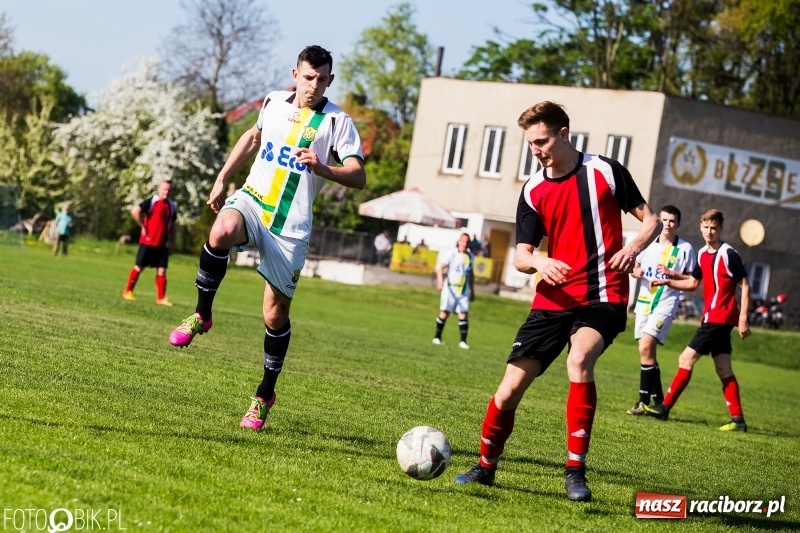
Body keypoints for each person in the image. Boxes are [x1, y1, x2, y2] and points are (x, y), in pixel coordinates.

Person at [453, 101, 661, 502]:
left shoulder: (605, 171)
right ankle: (485, 467)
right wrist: (539, 260)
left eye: (542, 141)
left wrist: (633, 247)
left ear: (564, 134)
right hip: (552, 301)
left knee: (579, 359)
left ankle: (575, 472)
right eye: (530, 143)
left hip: (603, 295)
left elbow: (649, 220)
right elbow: (521, 256)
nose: (536, 150)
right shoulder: (533, 190)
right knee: (510, 388)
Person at [168, 46, 366, 431]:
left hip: (290, 226)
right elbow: (253, 137)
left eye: (322, 79)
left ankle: (263, 395)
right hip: (254, 201)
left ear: (330, 80)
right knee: (221, 230)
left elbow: (358, 176)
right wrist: (224, 176)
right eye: (309, 77)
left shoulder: (337, 122)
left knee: (274, 316)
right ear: (295, 74)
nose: (314, 85)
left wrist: (324, 168)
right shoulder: (274, 102)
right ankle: (201, 314)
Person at [643, 209, 751, 431]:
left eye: (714, 228)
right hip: (712, 319)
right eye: (706, 227)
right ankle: (738, 420)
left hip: (719, 318)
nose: (709, 232)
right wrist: (667, 282)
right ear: (701, 227)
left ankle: (665, 407)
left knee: (685, 359)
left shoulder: (729, 254)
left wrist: (743, 319)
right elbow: (693, 283)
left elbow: (746, 285)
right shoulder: (702, 253)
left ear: (720, 229)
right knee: (724, 369)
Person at [626, 205, 696, 415]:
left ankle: (642, 401)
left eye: (672, 221)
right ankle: (660, 404)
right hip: (644, 302)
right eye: (664, 220)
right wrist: (635, 270)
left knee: (646, 347)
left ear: (678, 224)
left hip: (665, 304)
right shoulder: (648, 244)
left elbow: (693, 278)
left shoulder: (685, 249)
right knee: (647, 352)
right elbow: (634, 265)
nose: (667, 224)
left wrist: (673, 274)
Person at [122, 180, 178, 306]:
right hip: (148, 242)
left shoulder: (172, 206)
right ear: (159, 189)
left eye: (169, 190)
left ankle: (161, 298)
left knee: (162, 271)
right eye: (164, 189)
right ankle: (128, 291)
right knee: (139, 267)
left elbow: (173, 225)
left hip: (162, 244)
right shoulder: (152, 201)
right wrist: (142, 225)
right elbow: (135, 211)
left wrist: (173, 241)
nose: (167, 192)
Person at [432, 233, 475, 349]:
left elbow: (471, 274)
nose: (464, 244)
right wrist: (440, 281)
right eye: (463, 241)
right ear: (459, 241)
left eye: (467, 242)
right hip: (450, 288)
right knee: (445, 312)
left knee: (464, 314)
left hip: (464, 290)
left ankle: (463, 341)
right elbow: (440, 267)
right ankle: (437, 336)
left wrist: (472, 290)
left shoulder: (470, 256)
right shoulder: (452, 253)